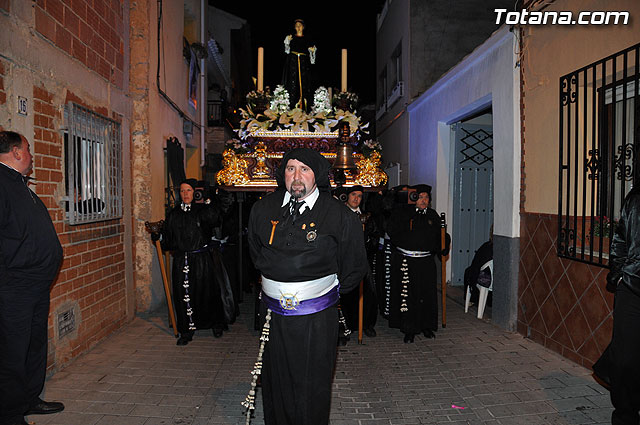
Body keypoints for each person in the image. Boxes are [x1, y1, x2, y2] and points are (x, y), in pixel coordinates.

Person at [248, 148, 367, 425]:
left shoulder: (338, 214)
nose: (297, 176)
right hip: (273, 315)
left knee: (312, 379)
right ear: (283, 174)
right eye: (290, 169)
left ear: (317, 176)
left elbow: (354, 266)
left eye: (305, 169)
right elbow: (255, 252)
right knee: (276, 376)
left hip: (316, 317)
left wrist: (320, 295)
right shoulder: (264, 208)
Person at [0, 131, 65, 425]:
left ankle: (29, 398)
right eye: (27, 149)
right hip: (15, 286)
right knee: (12, 350)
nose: (31, 155)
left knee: (34, 343)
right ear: (15, 152)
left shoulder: (20, 184)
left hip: (37, 285)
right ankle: (10, 414)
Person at [154, 179, 235, 345]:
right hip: (181, 262)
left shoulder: (203, 211)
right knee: (183, 297)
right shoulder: (173, 214)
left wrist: (209, 197)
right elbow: (168, 240)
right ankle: (186, 330)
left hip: (202, 261)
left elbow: (215, 218)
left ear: (194, 192)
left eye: (189, 191)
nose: (185, 194)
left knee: (208, 293)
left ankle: (215, 324)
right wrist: (158, 237)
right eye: (182, 191)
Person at [386, 184, 450, 343]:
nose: (423, 200)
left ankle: (427, 326)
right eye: (420, 197)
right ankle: (409, 329)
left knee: (427, 294)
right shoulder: (403, 213)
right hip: (407, 261)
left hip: (426, 262)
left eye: (426, 197)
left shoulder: (433, 216)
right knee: (408, 296)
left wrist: (443, 247)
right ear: (413, 198)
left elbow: (442, 235)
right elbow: (392, 231)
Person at [607, 186, 640, 425]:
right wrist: (619, 274)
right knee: (624, 360)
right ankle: (625, 417)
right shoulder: (636, 196)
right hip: (631, 288)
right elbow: (620, 238)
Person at [337, 185, 378, 344]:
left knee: (368, 293)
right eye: (353, 194)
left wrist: (367, 241)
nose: (356, 198)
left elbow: (375, 237)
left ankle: (366, 324)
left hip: (363, 262)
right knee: (346, 296)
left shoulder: (367, 217)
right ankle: (346, 326)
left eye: (359, 196)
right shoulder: (340, 215)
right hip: (346, 263)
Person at [282, 19, 317, 111]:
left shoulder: (307, 39)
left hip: (303, 63)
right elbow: (287, 51)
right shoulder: (291, 38)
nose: (298, 27)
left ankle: (305, 105)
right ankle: (292, 105)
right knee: (293, 82)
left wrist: (312, 51)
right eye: (296, 25)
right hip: (293, 62)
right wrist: (287, 42)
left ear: (303, 27)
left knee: (304, 82)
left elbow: (312, 56)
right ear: (294, 27)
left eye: (300, 25)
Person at [464, 227, 493, 307]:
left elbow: (476, 263)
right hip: (497, 280)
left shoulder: (486, 247)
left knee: (469, 271)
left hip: (485, 280)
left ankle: (472, 299)